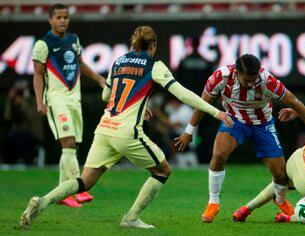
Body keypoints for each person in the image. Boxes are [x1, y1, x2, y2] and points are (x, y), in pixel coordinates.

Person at [19, 25, 233, 230]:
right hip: (126, 132)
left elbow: (106, 96)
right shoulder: (154, 65)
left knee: (85, 181)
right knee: (163, 170)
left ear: (133, 43)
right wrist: (216, 112)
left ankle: (44, 201)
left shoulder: (118, 62)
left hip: (105, 127)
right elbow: (182, 93)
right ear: (153, 45)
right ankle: (131, 218)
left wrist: (137, 102)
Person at [175, 54, 305, 223]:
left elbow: (295, 102)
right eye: (246, 80)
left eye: (253, 80)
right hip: (234, 120)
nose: (251, 84)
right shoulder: (220, 77)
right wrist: (189, 131)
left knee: (280, 174)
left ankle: (280, 200)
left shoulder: (267, 81)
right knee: (218, 155)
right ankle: (213, 202)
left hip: (263, 123)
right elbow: (202, 103)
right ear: (236, 72)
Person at [32, 3, 106, 207]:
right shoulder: (43, 44)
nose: (62, 20)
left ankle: (62, 194)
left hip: (74, 100)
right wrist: (40, 100)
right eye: (58, 18)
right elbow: (38, 74)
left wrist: (99, 79)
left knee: (71, 148)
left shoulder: (74, 40)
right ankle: (78, 188)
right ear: (50, 20)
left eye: (65, 17)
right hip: (56, 100)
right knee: (69, 144)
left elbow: (81, 64)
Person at [175, 36, 216, 163]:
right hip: (203, 102)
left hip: (186, 103)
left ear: (190, 44)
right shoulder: (206, 62)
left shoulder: (184, 61)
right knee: (202, 133)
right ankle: (202, 157)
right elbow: (211, 85)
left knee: (185, 130)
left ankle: (184, 154)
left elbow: (176, 82)